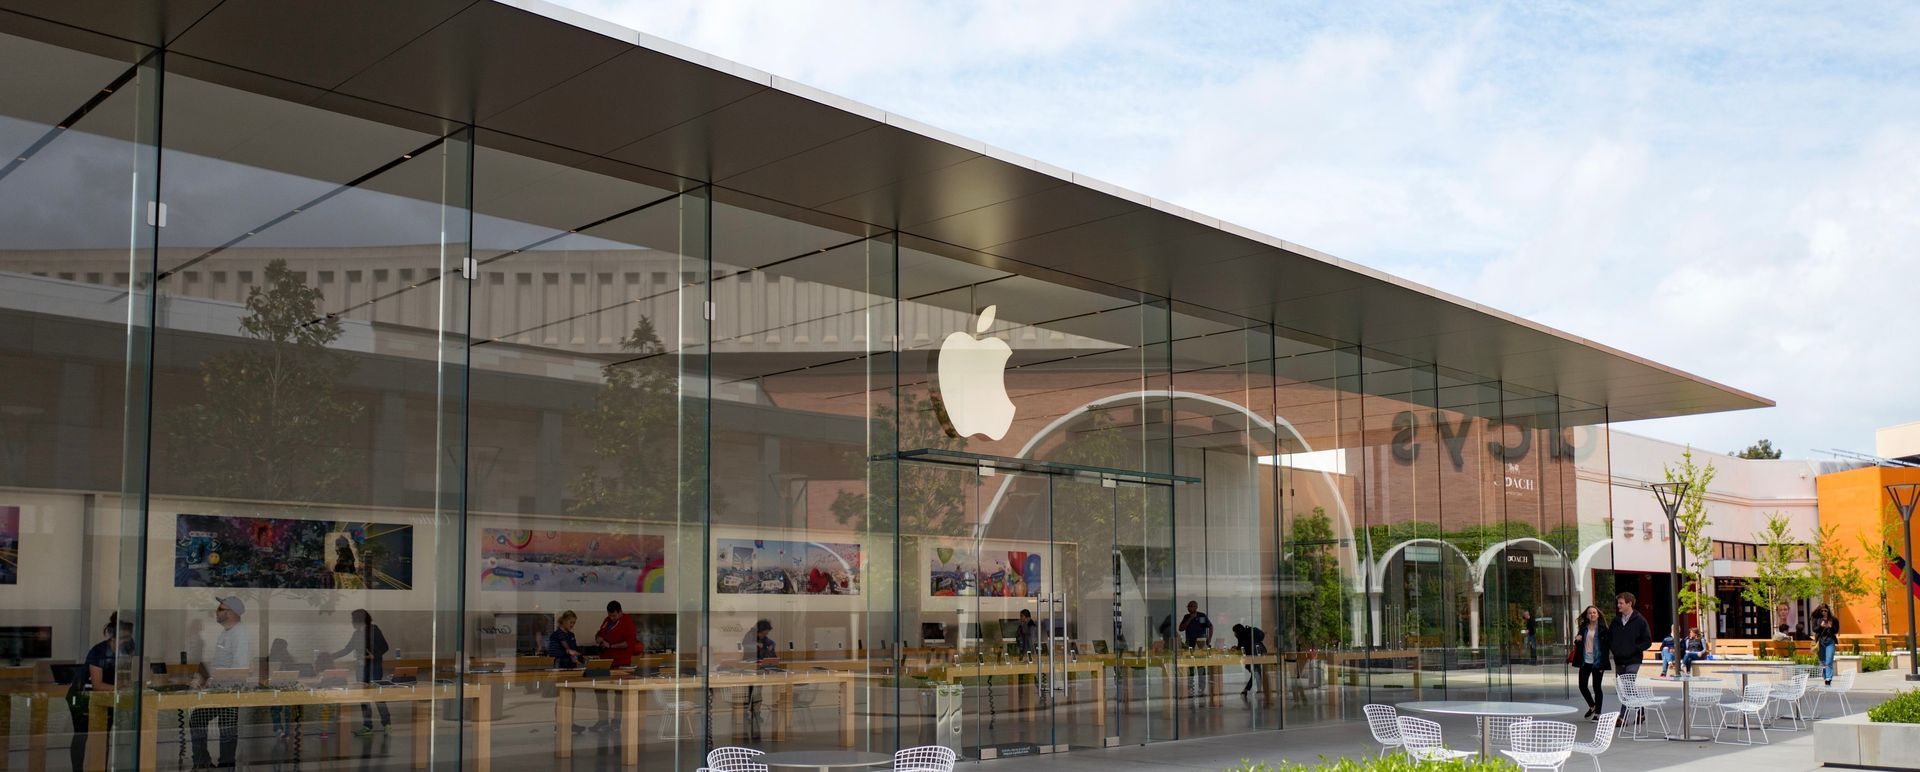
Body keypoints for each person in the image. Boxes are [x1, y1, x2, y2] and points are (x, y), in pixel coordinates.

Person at [191, 595, 252, 768]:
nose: (216, 612)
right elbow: (221, 663)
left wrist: (211, 678)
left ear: (231, 613)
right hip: (219, 688)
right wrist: (204, 676)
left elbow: (239, 669)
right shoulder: (227, 633)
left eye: (220, 609)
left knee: (223, 730)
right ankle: (205, 762)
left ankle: (217, 764)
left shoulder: (240, 635)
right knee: (207, 722)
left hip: (229, 691)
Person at [69, 616, 133, 770]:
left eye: (128, 637)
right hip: (83, 696)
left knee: (104, 736)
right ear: (113, 637)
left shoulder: (129, 648)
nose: (126, 641)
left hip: (107, 697)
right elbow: (97, 685)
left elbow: (130, 671)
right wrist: (121, 686)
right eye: (122, 638)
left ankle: (100, 768)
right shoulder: (98, 651)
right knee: (82, 734)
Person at [330, 609, 391, 735]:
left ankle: (387, 724)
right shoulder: (356, 634)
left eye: (353, 619)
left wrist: (373, 655)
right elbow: (347, 649)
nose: (352, 622)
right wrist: (331, 656)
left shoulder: (374, 630)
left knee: (377, 696)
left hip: (373, 667)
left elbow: (385, 647)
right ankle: (367, 725)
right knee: (364, 697)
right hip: (361, 668)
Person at [590, 601, 638, 732]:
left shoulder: (627, 622)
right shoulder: (607, 620)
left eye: (614, 616)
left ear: (620, 612)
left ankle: (617, 721)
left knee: (619, 694)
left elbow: (629, 643)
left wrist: (610, 646)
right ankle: (603, 721)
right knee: (600, 691)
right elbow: (600, 632)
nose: (612, 618)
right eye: (610, 615)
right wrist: (599, 638)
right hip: (605, 662)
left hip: (621, 663)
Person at [1606, 592, 1652, 727]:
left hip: (1634, 659)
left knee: (1627, 685)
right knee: (1625, 688)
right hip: (1619, 659)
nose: (1618, 605)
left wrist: (1634, 648)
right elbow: (1610, 638)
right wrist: (1615, 649)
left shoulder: (1640, 620)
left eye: (1621, 603)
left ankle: (1622, 717)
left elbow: (1647, 641)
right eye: (1618, 603)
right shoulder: (1616, 621)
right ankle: (1641, 711)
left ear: (1629, 604)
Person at [1572, 605, 1610, 721]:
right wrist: (1577, 640)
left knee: (1596, 687)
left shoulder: (1603, 629)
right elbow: (1579, 643)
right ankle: (1592, 706)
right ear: (1587, 615)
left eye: (1594, 612)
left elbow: (1607, 646)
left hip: (1598, 662)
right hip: (1585, 661)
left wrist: (1604, 663)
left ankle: (1598, 713)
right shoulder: (1584, 627)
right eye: (1590, 613)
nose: (1592, 614)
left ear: (1598, 615)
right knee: (1582, 685)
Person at [1178, 601, 1213, 699]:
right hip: (1189, 644)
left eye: (1191, 606)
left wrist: (1209, 640)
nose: (1189, 608)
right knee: (1190, 666)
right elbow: (1181, 628)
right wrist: (1190, 618)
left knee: (1201, 666)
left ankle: (1201, 689)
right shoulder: (1186, 617)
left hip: (1200, 644)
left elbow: (1210, 627)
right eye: (1188, 606)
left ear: (1196, 607)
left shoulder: (1202, 616)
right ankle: (1190, 688)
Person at [267, 639, 298, 738]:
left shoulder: (288, 659)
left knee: (283, 709)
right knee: (277, 709)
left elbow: (294, 673)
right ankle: (280, 730)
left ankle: (283, 730)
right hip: (276, 687)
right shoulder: (271, 659)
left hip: (286, 687)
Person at [1232, 623, 1267, 698]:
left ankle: (1254, 689)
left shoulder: (1243, 636)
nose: (1234, 634)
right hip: (1260, 650)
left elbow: (1242, 647)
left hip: (1255, 653)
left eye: (1234, 632)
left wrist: (1237, 648)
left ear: (1238, 632)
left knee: (1255, 671)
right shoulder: (1247, 633)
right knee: (1255, 671)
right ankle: (1251, 689)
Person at [1812, 603, 1841, 685]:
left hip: (1830, 641)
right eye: (1822, 611)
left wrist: (1831, 626)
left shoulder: (1833, 619)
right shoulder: (1816, 619)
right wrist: (1821, 626)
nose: (1824, 612)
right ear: (1819, 611)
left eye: (1825, 610)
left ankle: (1828, 678)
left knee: (1829, 661)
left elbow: (1836, 630)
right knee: (1822, 661)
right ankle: (1825, 677)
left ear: (1828, 611)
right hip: (1820, 642)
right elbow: (1814, 629)